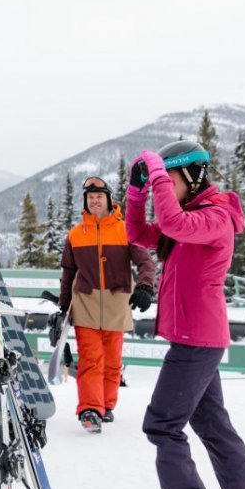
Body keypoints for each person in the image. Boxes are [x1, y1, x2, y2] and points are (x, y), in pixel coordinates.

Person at [126, 141, 245, 489]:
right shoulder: (190, 217)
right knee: (210, 421)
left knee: (162, 423)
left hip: (197, 339)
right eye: (163, 183)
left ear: (192, 177)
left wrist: (155, 177)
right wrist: (138, 194)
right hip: (195, 337)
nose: (165, 191)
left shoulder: (215, 217)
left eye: (171, 182)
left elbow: (170, 224)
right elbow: (139, 233)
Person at [58, 176, 156, 433]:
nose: (95, 201)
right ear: (85, 202)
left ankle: (106, 404)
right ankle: (90, 409)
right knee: (91, 359)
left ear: (109, 200)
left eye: (99, 197)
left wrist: (146, 285)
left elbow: (146, 263)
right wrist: (63, 307)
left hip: (116, 304)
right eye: (90, 198)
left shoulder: (126, 230)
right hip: (86, 304)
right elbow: (68, 273)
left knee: (112, 362)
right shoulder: (76, 234)